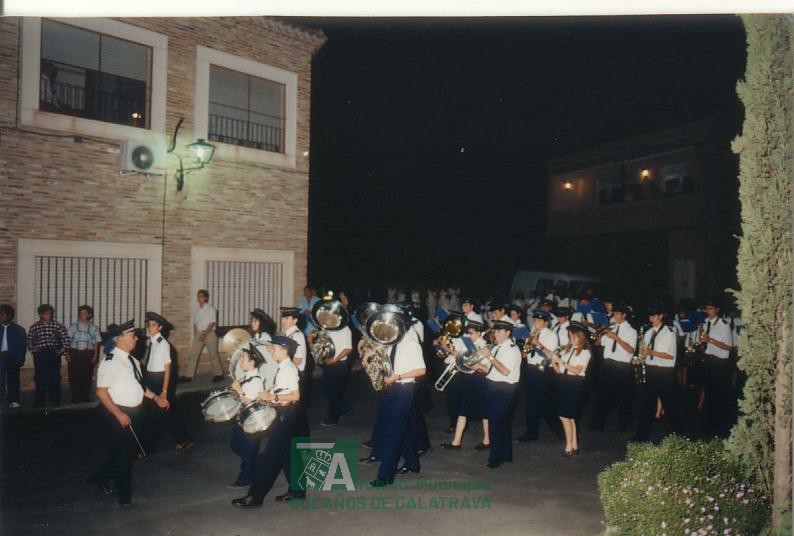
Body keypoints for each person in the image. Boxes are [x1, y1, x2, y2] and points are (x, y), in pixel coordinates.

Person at [87, 321, 168, 505]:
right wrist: (118, 414)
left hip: (134, 412)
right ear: (120, 339)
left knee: (128, 452)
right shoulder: (110, 362)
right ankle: (125, 498)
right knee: (123, 455)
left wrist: (156, 398)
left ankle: (98, 478)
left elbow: (141, 386)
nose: (136, 339)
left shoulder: (133, 360)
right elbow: (101, 392)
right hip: (116, 413)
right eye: (132, 336)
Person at [232, 336, 302, 507]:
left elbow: (295, 396)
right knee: (287, 454)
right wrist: (269, 395)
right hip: (285, 413)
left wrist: (272, 397)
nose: (271, 351)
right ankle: (298, 490)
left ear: (284, 351)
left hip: (285, 414)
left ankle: (255, 497)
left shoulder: (288, 369)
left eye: (274, 349)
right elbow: (283, 389)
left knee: (269, 458)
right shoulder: (284, 367)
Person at [368, 310, 427, 486]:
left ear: (402, 325)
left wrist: (398, 377)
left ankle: (385, 476)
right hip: (391, 388)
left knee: (393, 431)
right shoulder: (392, 342)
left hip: (404, 388)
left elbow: (421, 370)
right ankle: (412, 463)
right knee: (402, 427)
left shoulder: (411, 344)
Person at [142, 312, 194, 455]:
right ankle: (182, 439)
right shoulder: (153, 342)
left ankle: (150, 447)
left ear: (160, 328)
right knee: (158, 413)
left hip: (159, 380)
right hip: (151, 378)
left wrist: (164, 391)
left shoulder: (162, 344)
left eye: (153, 325)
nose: (150, 328)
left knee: (160, 413)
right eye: (149, 325)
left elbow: (167, 367)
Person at [474, 319, 521, 469]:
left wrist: (490, 357)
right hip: (492, 385)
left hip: (504, 388)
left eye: (499, 331)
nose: (496, 334)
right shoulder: (496, 347)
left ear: (508, 332)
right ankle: (506, 455)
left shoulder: (513, 349)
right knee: (502, 422)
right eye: (495, 331)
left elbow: (505, 371)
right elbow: (489, 369)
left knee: (494, 422)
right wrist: (476, 366)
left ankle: (495, 457)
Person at [633, 306, 683, 442]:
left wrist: (651, 352)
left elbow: (670, 355)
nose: (651, 319)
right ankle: (641, 436)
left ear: (661, 316)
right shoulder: (649, 332)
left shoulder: (669, 332)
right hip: (651, 370)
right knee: (647, 405)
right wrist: (642, 356)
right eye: (650, 316)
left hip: (665, 372)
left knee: (670, 405)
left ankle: (679, 435)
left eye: (654, 316)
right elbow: (645, 352)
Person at [441, 319, 490, 450]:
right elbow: (461, 356)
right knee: (463, 410)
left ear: (479, 333)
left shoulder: (484, 345)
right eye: (468, 333)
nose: (469, 335)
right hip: (469, 378)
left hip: (480, 380)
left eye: (471, 333)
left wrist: (473, 363)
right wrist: (448, 349)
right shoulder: (469, 343)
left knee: (484, 412)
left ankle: (487, 440)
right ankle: (456, 442)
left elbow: (484, 366)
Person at [590, 304, 637, 432]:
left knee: (624, 397)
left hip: (622, 366)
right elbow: (598, 343)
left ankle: (623, 426)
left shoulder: (631, 331)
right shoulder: (611, 328)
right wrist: (599, 334)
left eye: (617, 314)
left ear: (624, 315)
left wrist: (615, 337)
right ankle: (596, 425)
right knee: (601, 395)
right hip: (608, 364)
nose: (614, 316)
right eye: (614, 314)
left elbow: (631, 349)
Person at [549, 322, 592, 456]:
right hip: (564, 382)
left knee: (565, 416)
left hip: (575, 384)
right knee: (570, 417)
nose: (571, 339)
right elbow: (560, 371)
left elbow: (576, 370)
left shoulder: (585, 352)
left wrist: (561, 361)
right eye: (570, 336)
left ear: (581, 337)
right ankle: (574, 445)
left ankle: (568, 447)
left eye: (574, 336)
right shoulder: (567, 351)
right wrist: (553, 362)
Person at [518, 309, 561, 442]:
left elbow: (551, 355)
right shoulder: (533, 332)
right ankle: (531, 433)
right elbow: (526, 353)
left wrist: (538, 344)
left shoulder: (551, 335)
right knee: (530, 402)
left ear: (546, 322)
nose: (536, 323)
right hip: (531, 368)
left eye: (539, 321)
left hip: (543, 370)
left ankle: (558, 429)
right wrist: (526, 348)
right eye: (535, 320)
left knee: (544, 402)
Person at [228, 346, 266, 489]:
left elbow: (250, 401)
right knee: (235, 444)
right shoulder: (245, 377)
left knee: (248, 451)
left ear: (252, 363)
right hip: (242, 419)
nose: (240, 361)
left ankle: (245, 479)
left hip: (251, 422)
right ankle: (261, 463)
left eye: (243, 358)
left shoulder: (255, 380)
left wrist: (238, 390)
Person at [699, 298, 735, 438]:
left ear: (717, 310)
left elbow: (729, 347)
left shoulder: (723, 325)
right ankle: (707, 424)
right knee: (708, 392)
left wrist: (710, 340)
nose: (707, 311)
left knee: (718, 395)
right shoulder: (706, 323)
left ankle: (718, 426)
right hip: (708, 360)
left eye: (710, 308)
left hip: (720, 363)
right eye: (706, 308)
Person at [27, 304, 70, 407]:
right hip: (40, 354)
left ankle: (55, 400)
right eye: (46, 314)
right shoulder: (35, 326)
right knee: (39, 377)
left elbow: (66, 339)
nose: (49, 316)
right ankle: (39, 400)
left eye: (50, 314)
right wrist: (34, 349)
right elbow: (29, 340)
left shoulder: (57, 325)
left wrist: (60, 351)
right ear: (40, 315)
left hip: (53, 354)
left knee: (54, 377)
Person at [319, 301, 353, 427]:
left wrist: (335, 360)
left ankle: (333, 418)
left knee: (333, 391)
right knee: (328, 390)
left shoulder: (345, 329)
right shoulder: (329, 328)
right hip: (328, 362)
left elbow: (348, 349)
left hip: (339, 365)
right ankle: (345, 408)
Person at [281, 307, 310, 437]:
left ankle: (302, 441)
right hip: (290, 376)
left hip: (298, 377)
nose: (283, 321)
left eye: (286, 318)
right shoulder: (288, 334)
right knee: (295, 413)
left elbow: (298, 360)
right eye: (283, 318)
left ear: (295, 320)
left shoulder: (297, 336)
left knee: (298, 412)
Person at [182, 290, 222, 383]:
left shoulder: (211, 309)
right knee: (193, 354)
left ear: (205, 298)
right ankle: (189, 376)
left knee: (213, 355)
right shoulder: (196, 310)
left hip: (210, 333)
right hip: (199, 333)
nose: (199, 298)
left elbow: (212, 323)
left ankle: (219, 374)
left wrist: (205, 334)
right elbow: (195, 323)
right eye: (198, 296)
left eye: (201, 296)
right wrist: (195, 335)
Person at [66, 305, 101, 403]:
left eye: (84, 313)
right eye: (81, 313)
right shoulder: (73, 327)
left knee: (87, 375)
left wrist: (95, 355)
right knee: (74, 375)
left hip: (87, 353)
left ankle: (85, 396)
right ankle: (75, 396)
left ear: (89, 315)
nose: (82, 315)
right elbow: (67, 341)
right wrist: (67, 354)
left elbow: (96, 343)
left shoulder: (94, 328)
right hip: (74, 353)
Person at [0, 304, 27, 409]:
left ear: (9, 315)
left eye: (2, 314)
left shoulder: (19, 330)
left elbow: (22, 346)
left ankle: (14, 400)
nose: (0, 316)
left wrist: (20, 359)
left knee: (13, 379)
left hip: (12, 357)